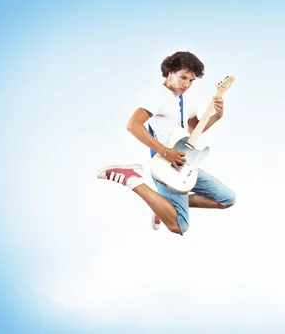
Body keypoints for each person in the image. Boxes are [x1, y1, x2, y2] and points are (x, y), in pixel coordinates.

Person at [96, 51, 236, 235]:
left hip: (183, 163)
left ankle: (163, 206)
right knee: (179, 226)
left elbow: (194, 130)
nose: (186, 84)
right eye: (183, 77)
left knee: (227, 199)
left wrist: (217, 116)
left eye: (191, 80)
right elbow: (133, 126)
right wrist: (164, 152)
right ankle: (132, 179)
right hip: (164, 164)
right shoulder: (157, 96)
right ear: (170, 71)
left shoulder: (186, 98)